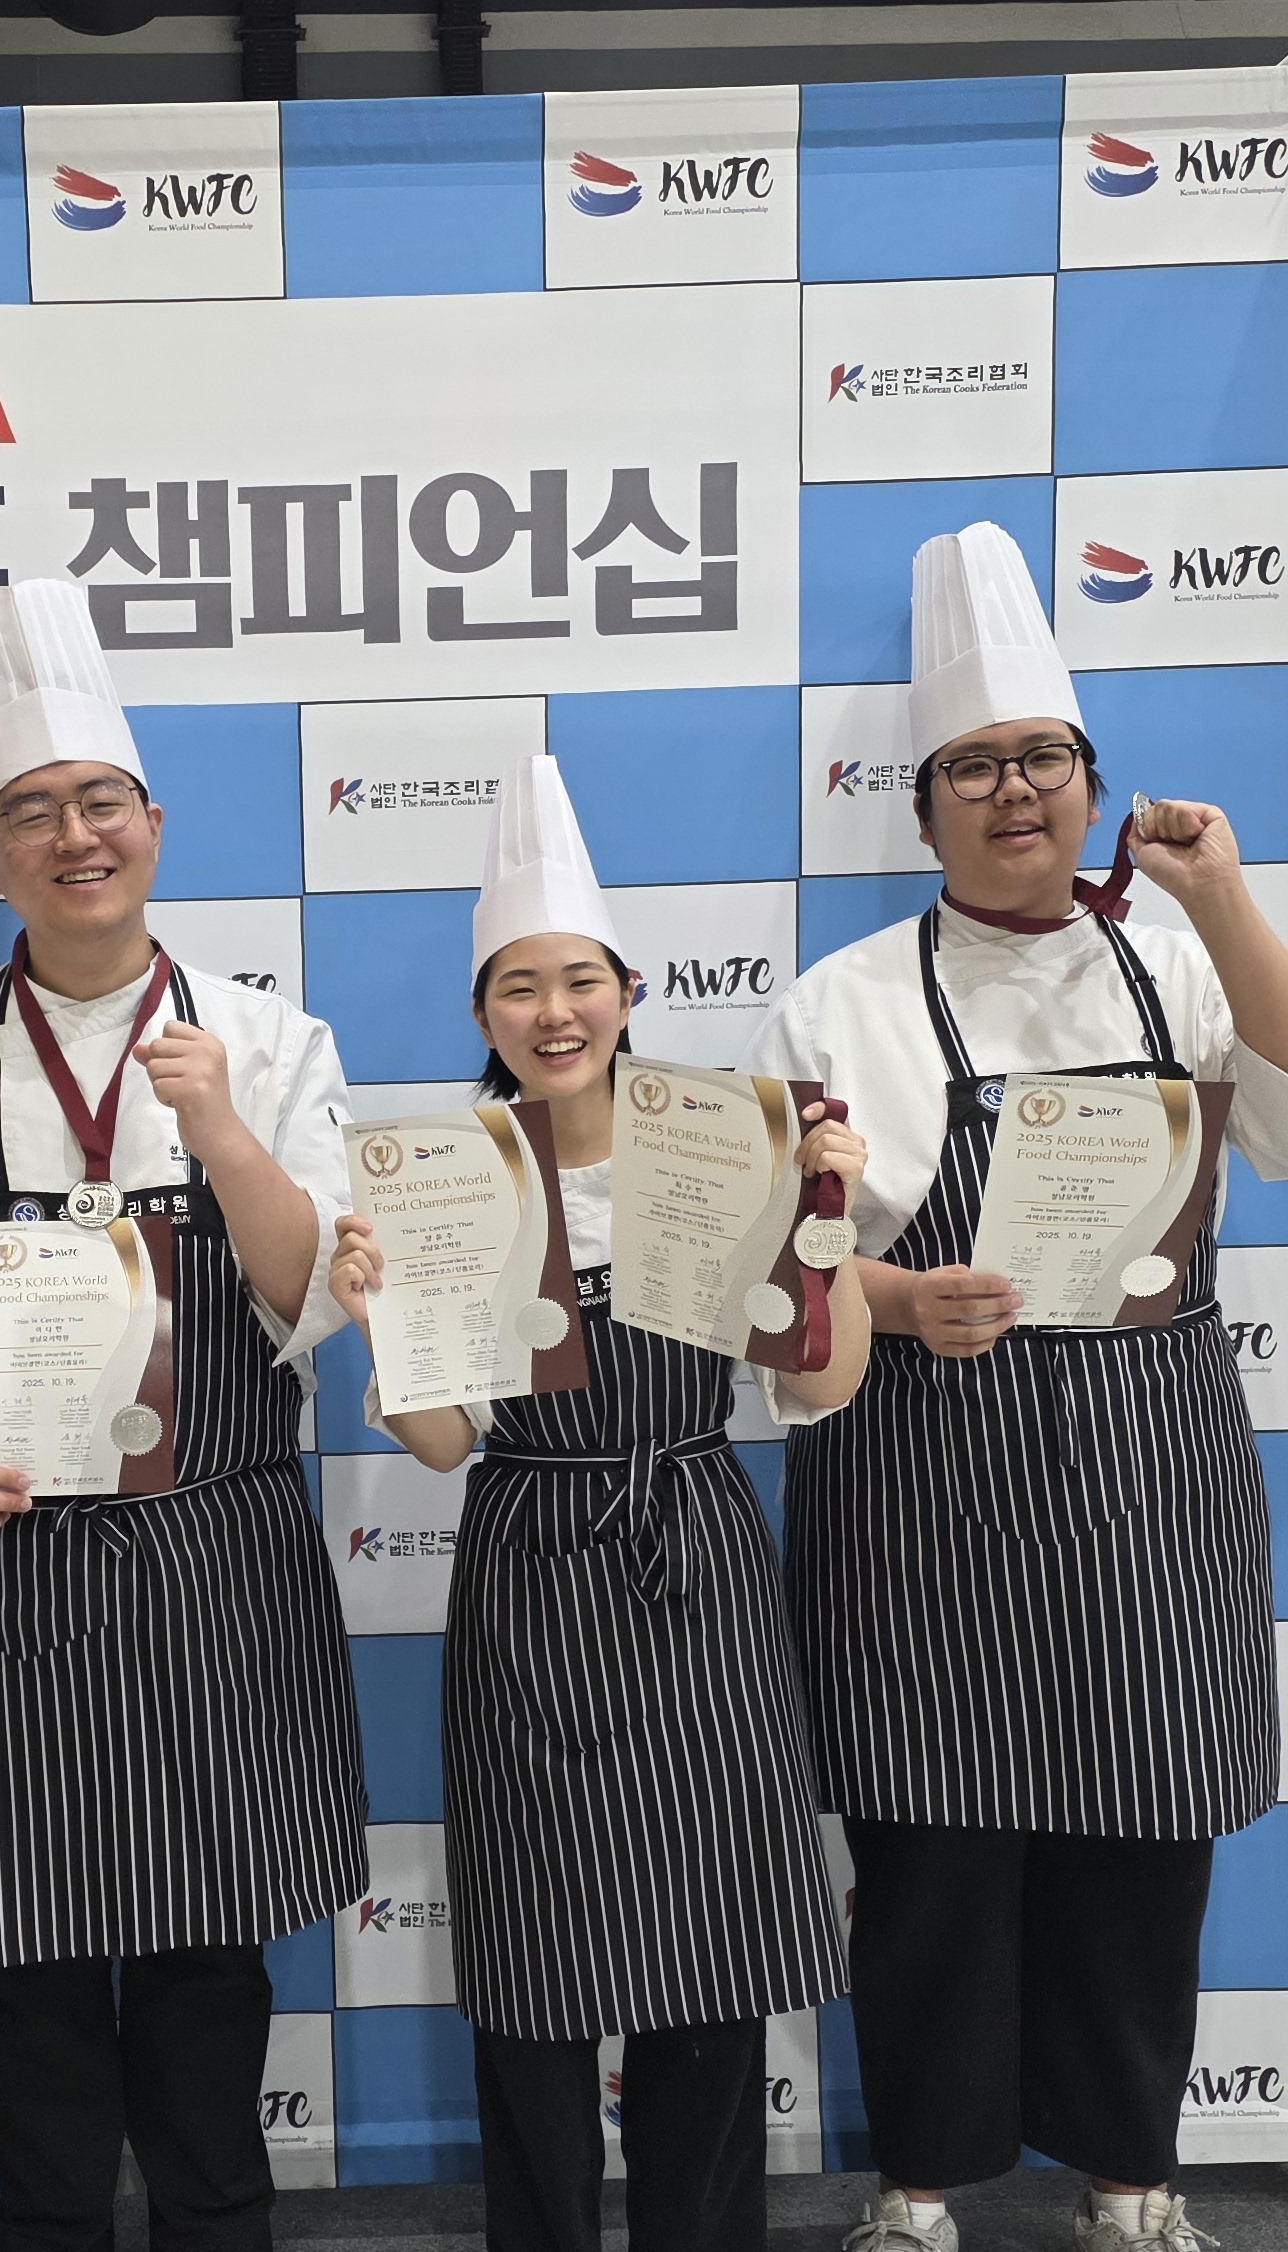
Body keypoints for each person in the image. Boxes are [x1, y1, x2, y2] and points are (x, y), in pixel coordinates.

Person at [755, 527, 1288, 2252]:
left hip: (1146, 1461)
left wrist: (1224, 897)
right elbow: (774, 1278)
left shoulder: (1178, 965)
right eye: (973, 767)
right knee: (930, 1853)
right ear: (924, 813)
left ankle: (1133, 2182)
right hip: (922, 1465)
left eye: (1041, 757)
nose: (1013, 791)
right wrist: (900, 1295)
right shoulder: (839, 1004)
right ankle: (918, 2190)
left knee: (1140, 1841)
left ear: (1091, 785)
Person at [0, 579, 367, 2252]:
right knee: (31, 1971)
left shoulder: (269, 1041)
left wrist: (224, 1133)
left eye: (102, 802)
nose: (76, 836)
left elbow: (311, 1302)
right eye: (34, 812)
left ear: (154, 825)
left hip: (215, 1555)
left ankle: (218, 2227)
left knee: (210, 1962)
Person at [324, 753, 865, 2252]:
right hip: (529, 1559)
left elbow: (819, 1384)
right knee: (535, 1951)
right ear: (483, 1016)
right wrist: (379, 1318)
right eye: (519, 988)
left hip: (695, 1544)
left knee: (711, 1939)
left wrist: (820, 1225)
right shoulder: (453, 1176)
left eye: (579, 980)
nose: (553, 1012)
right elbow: (444, 1443)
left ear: (630, 991)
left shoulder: (725, 1140)